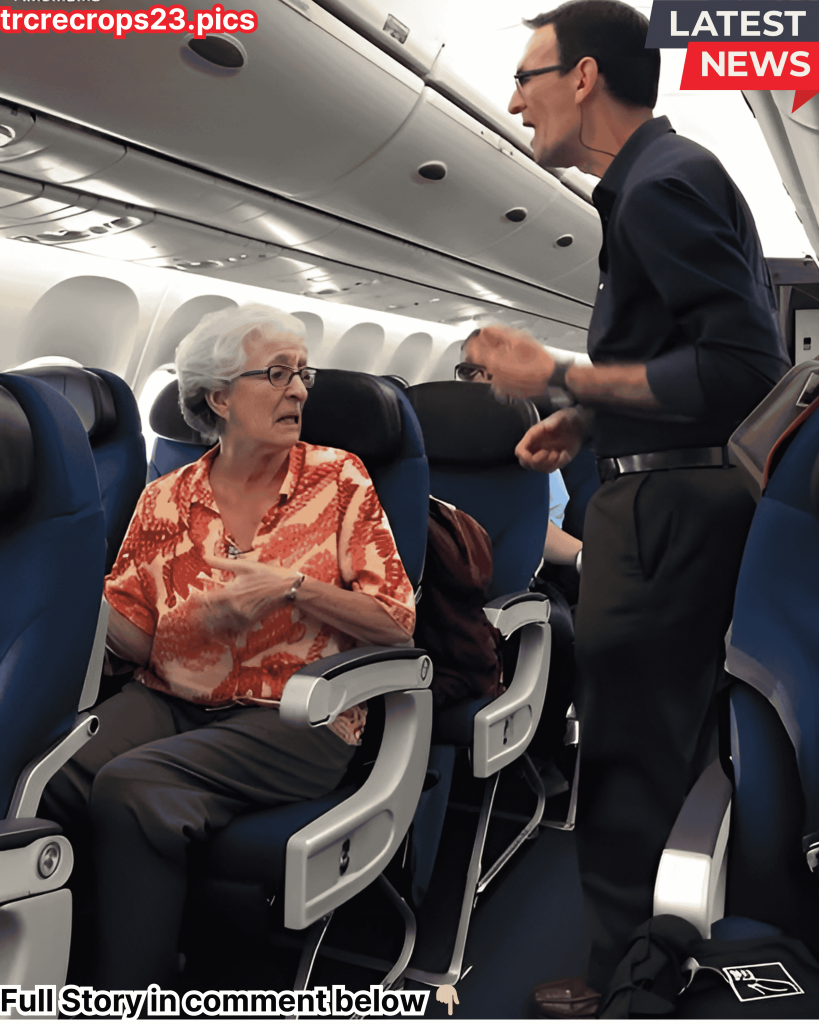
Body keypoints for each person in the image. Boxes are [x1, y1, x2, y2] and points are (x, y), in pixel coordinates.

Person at [463, 0, 790, 1002]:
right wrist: (589, 417)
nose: (515, 101)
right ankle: (669, 955)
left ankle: (625, 983)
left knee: (627, 755)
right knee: (670, 746)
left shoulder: (660, 183)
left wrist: (558, 367)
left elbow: (741, 366)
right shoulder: (660, 178)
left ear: (586, 77)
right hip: (671, 493)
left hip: (660, 524)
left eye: (528, 77)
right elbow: (682, 363)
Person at [40, 303, 416, 990]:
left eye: (302, 374)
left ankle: (132, 991)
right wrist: (70, 587)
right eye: (276, 374)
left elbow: (395, 625)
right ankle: (59, 968)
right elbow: (132, 633)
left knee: (133, 786)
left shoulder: (338, 480)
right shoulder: (164, 497)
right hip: (168, 698)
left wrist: (293, 588)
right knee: (46, 776)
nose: (299, 389)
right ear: (218, 395)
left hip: (297, 716)